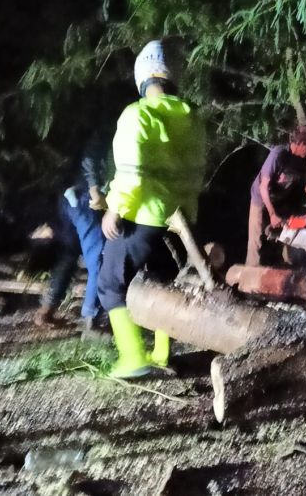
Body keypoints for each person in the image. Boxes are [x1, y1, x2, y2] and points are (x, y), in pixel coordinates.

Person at [96, 40, 206, 379]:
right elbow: (196, 173)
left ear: (142, 78)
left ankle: (133, 358)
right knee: (163, 284)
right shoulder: (192, 121)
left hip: (142, 217)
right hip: (179, 222)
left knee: (111, 284)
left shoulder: (137, 115)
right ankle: (161, 354)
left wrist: (115, 208)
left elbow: (131, 171)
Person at [35, 129, 111, 332]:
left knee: (69, 254)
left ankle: (46, 311)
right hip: (85, 200)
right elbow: (90, 157)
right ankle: (92, 319)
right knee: (99, 257)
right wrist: (95, 190)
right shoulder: (112, 130)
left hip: (72, 198)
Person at [245, 123, 306, 267]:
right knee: (256, 239)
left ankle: (289, 266)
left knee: (295, 225)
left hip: (281, 199)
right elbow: (263, 187)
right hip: (261, 198)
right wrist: (272, 214)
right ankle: (250, 274)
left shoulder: (303, 161)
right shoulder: (279, 154)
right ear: (300, 143)